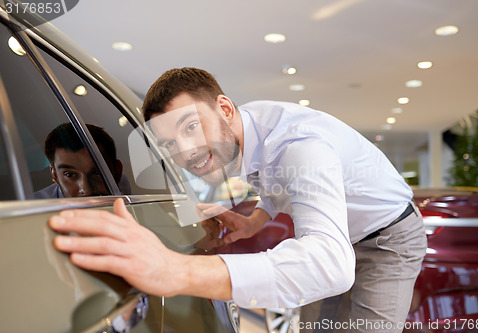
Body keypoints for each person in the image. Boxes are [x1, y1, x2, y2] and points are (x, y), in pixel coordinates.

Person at [49, 67, 427, 332]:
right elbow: (274, 185)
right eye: (169, 144)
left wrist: (175, 271)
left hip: (388, 237)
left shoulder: (299, 146)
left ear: (225, 109)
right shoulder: (237, 139)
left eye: (191, 127)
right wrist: (254, 221)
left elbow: (331, 263)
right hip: (340, 235)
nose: (187, 153)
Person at [35, 123, 125, 198]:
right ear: (55, 176)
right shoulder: (33, 213)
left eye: (97, 173)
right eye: (69, 175)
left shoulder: (123, 187)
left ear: (117, 172)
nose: (87, 191)